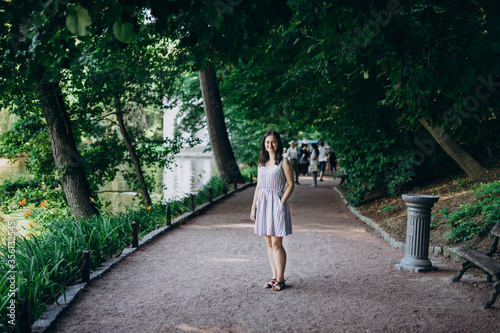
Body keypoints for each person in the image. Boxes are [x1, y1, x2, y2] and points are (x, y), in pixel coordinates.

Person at [250, 130, 294, 291]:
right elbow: (258, 186)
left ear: (278, 143)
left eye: (273, 142)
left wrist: (281, 202)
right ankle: (274, 276)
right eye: (267, 142)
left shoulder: (284, 162)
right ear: (264, 144)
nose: (270, 145)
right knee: (268, 243)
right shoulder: (261, 163)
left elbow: (291, 184)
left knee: (277, 243)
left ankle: (281, 279)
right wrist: (253, 207)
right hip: (263, 203)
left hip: (277, 202)